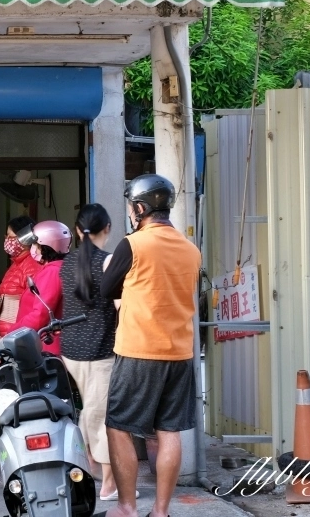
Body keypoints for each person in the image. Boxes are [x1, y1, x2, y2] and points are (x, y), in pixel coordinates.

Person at [99, 175, 202, 517]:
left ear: (140, 208)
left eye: (132, 207)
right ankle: (160, 511)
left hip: (139, 351)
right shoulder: (191, 249)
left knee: (119, 427)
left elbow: (106, 289)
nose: (131, 213)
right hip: (180, 353)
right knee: (169, 431)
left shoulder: (133, 244)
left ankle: (127, 507)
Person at [58, 203, 127, 502]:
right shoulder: (109, 261)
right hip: (100, 351)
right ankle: (109, 485)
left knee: (88, 410)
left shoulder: (66, 263)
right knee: (102, 419)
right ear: (107, 228)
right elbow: (121, 306)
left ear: (77, 230)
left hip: (71, 351)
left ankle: (89, 466)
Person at [8, 220, 71, 355]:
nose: (33, 248)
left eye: (35, 244)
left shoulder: (51, 272)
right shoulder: (61, 268)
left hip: (44, 348)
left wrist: (11, 332)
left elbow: (40, 315)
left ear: (46, 246)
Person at [0, 215, 43, 340]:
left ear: (25, 237)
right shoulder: (15, 265)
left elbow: (36, 307)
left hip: (19, 337)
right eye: (6, 237)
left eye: (11, 237)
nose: (7, 240)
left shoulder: (32, 266)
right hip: (9, 337)